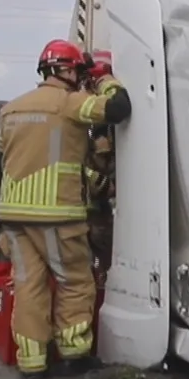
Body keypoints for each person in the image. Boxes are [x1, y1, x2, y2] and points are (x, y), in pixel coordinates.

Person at [0, 39, 134, 379]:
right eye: (79, 71)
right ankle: (74, 354)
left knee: (29, 286)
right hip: (56, 214)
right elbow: (119, 108)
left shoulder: (10, 110)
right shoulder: (71, 104)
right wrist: (104, 78)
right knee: (75, 281)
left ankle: (32, 363)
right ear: (67, 70)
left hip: (12, 215)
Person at [80, 50, 118, 283]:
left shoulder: (100, 120)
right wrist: (105, 185)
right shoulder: (82, 112)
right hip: (87, 207)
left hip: (98, 206)